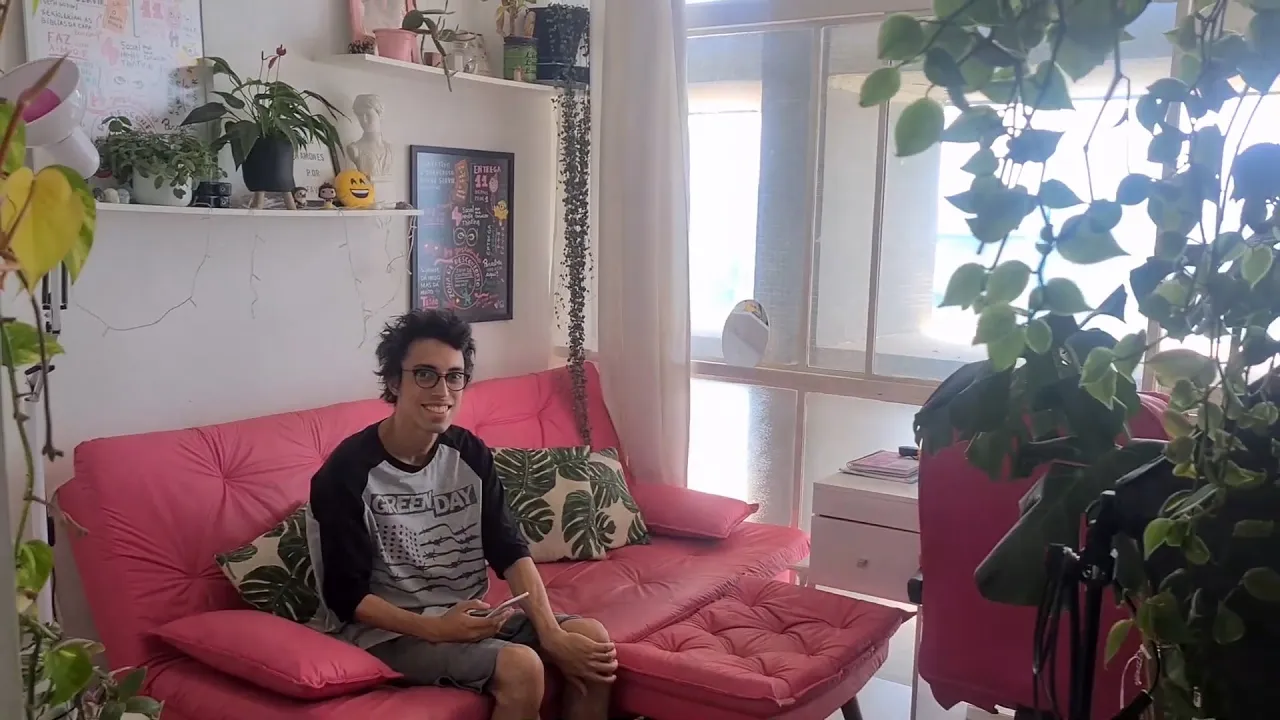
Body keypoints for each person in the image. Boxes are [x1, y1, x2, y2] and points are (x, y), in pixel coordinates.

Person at [307, 309, 616, 720]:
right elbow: (346, 597)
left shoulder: (468, 453)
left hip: (466, 616)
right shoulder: (347, 472)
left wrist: (552, 633)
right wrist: (437, 629)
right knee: (521, 667)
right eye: (425, 374)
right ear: (395, 381)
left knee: (592, 642)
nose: (443, 390)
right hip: (386, 633)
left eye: (454, 376)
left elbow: (509, 550)